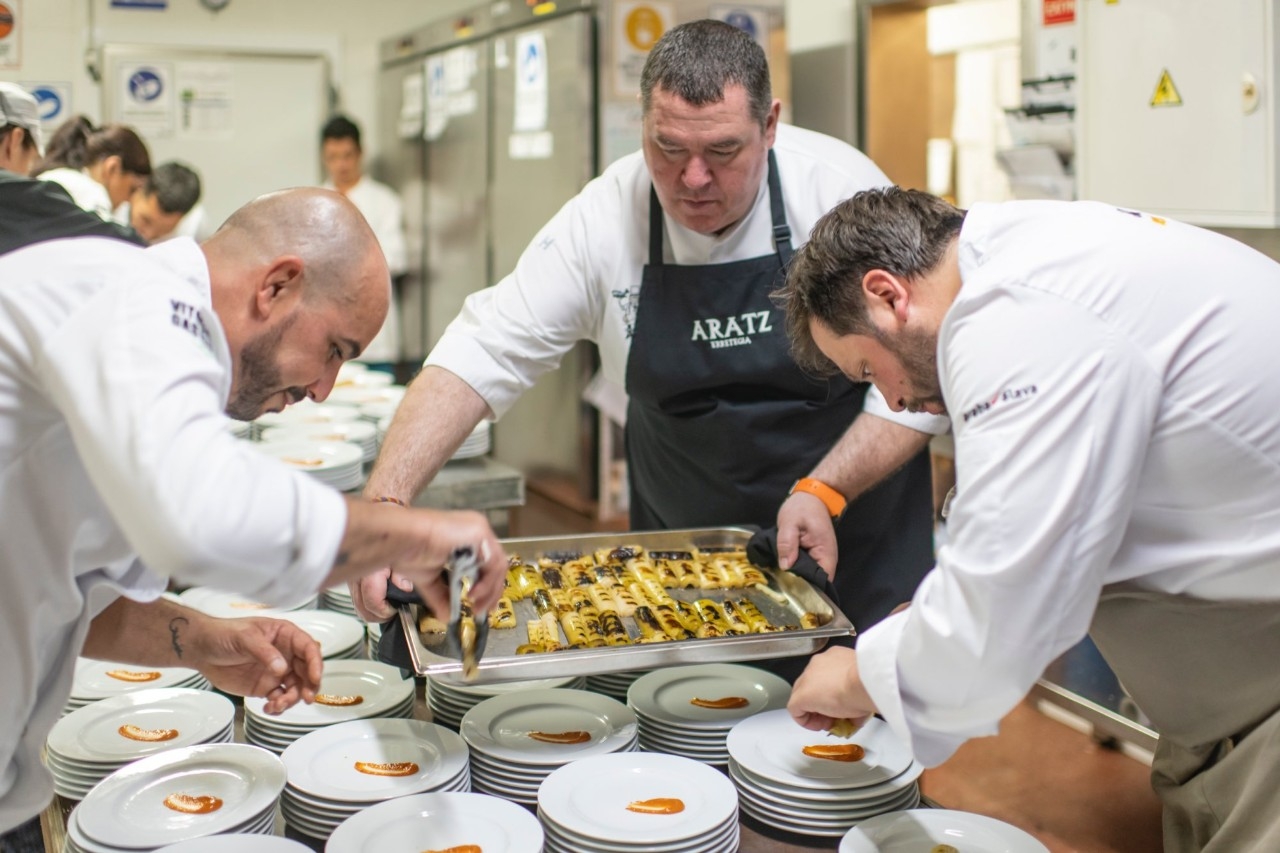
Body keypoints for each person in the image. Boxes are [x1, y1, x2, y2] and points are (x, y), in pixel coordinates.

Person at [351, 20, 948, 672]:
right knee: (687, 724)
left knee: (866, 725)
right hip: (680, 563)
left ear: (770, 124)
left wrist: (826, 490)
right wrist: (384, 510)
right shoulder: (604, 218)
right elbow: (484, 350)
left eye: (723, 151)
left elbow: (921, 377)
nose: (693, 178)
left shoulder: (837, 193)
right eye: (668, 148)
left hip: (851, 534)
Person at [778, 187, 1280, 851]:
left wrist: (855, 676)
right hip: (1223, 719)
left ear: (887, 295)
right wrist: (926, 617)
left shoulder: (1013, 312)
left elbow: (997, 615)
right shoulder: (1030, 260)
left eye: (870, 368)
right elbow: (1036, 535)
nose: (894, 400)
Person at [0, 187, 509, 843]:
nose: (323, 389)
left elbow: (73, 591)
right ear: (276, 286)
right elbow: (195, 513)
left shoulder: (144, 324)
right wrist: (411, 533)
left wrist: (205, 641)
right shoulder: (135, 301)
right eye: (334, 349)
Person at [0, 83, 142, 254]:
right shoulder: (28, 198)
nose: (28, 172)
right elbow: (122, 244)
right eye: (31, 160)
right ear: (14, 142)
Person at [320, 114, 408, 366]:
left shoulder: (385, 201)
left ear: (360, 153)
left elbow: (396, 259)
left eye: (347, 155)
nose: (341, 165)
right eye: (333, 157)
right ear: (324, 158)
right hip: (325, 340)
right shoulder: (314, 201)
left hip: (376, 340)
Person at [31, 115, 151, 220]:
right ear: (112, 168)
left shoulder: (53, 177)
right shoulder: (91, 194)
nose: (130, 201)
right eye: (131, 190)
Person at [125, 160, 203, 243]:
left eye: (163, 230)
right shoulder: (116, 200)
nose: (148, 235)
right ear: (139, 189)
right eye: (146, 221)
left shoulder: (195, 230)